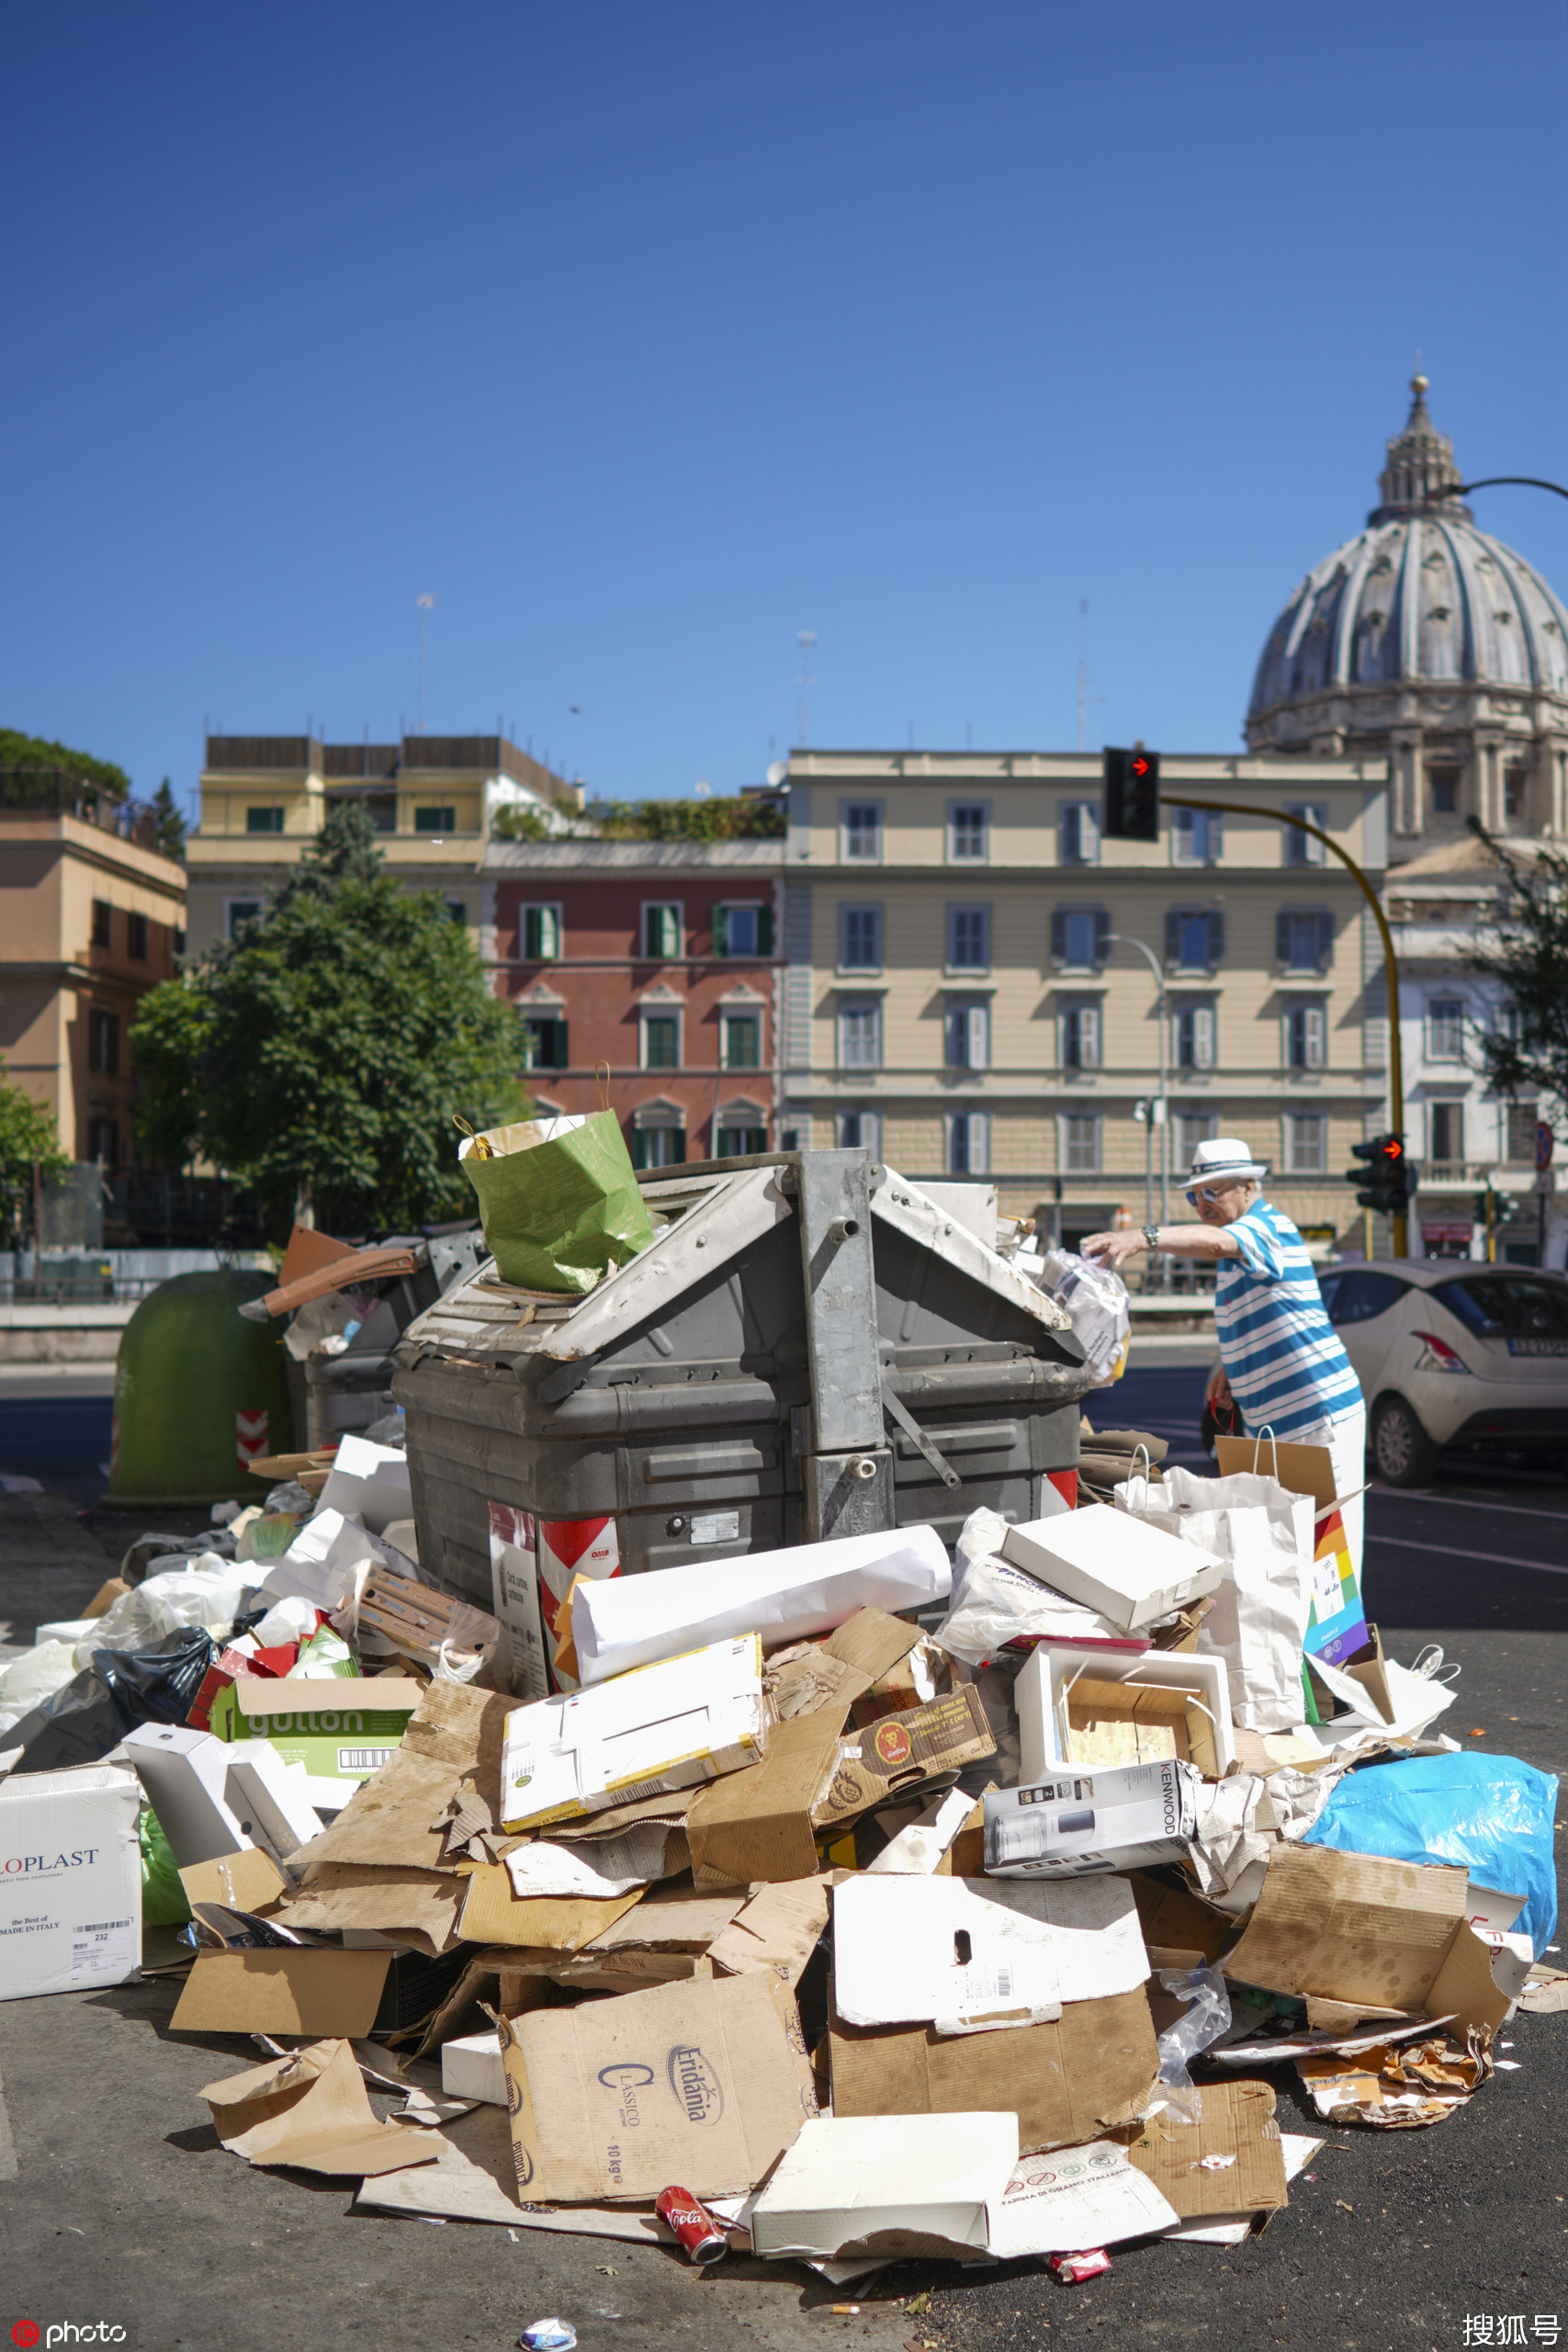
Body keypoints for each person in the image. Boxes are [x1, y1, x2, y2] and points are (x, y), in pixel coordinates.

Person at [1080, 1136, 1365, 1577]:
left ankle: (1345, 1627)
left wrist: (1143, 1237)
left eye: (1212, 1192)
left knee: (1328, 1556)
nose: (1202, 1205)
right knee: (1289, 1551)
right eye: (1195, 1196)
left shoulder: (1266, 1227)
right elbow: (1255, 1312)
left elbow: (1216, 1243)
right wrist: (1228, 1367)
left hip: (1316, 1417)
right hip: (1271, 1426)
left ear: (1248, 1187)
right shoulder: (1237, 1254)